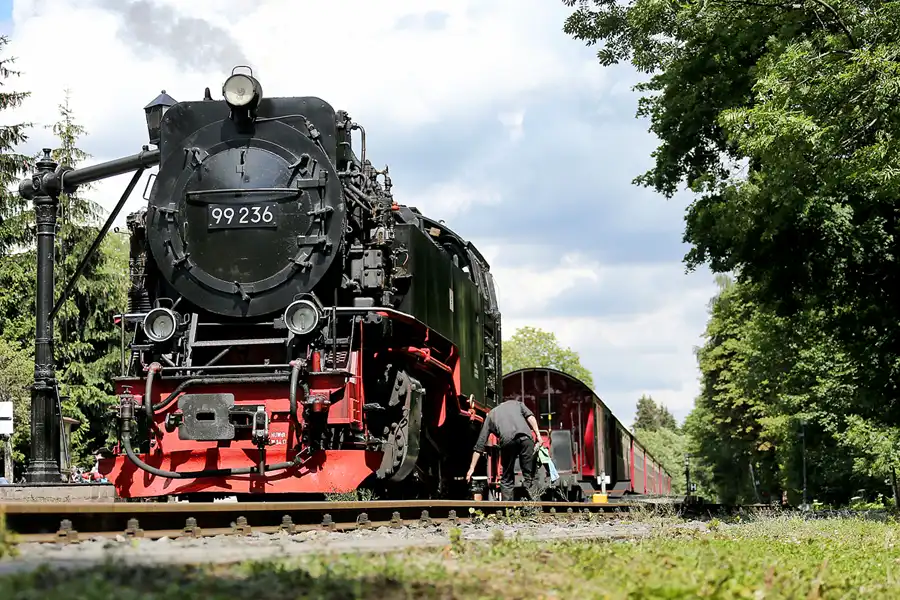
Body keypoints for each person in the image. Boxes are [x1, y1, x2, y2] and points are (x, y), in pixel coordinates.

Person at [466, 396, 543, 500]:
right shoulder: (517, 404)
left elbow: (480, 445)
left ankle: (508, 510)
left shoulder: (491, 414)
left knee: (507, 477)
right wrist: (538, 435)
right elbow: (530, 417)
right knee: (530, 476)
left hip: (508, 442)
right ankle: (535, 508)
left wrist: (471, 468)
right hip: (526, 439)